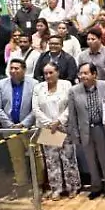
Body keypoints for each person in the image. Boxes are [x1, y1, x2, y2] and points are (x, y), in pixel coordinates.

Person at [68, 62, 105, 199]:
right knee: (90, 161)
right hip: (85, 130)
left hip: (102, 128)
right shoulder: (73, 91)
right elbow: (72, 115)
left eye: (85, 73)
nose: (82, 76)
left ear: (94, 74)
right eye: (80, 73)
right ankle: (96, 187)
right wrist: (75, 134)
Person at [34, 62, 81, 199]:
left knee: (68, 158)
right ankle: (56, 188)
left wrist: (59, 121)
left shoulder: (66, 84)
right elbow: (36, 109)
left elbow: (70, 106)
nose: (48, 76)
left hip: (64, 126)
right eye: (45, 73)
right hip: (48, 128)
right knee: (51, 160)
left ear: (57, 72)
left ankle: (73, 187)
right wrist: (49, 123)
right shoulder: (38, 88)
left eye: (51, 73)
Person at [0, 58, 36, 199]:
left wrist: (24, 123)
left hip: (29, 128)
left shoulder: (34, 84)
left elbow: (36, 107)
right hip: (10, 129)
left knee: (37, 157)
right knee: (16, 159)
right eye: (11, 68)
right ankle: (22, 186)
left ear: (24, 69)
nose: (13, 71)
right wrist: (10, 125)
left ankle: (39, 186)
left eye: (16, 68)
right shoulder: (1, 84)